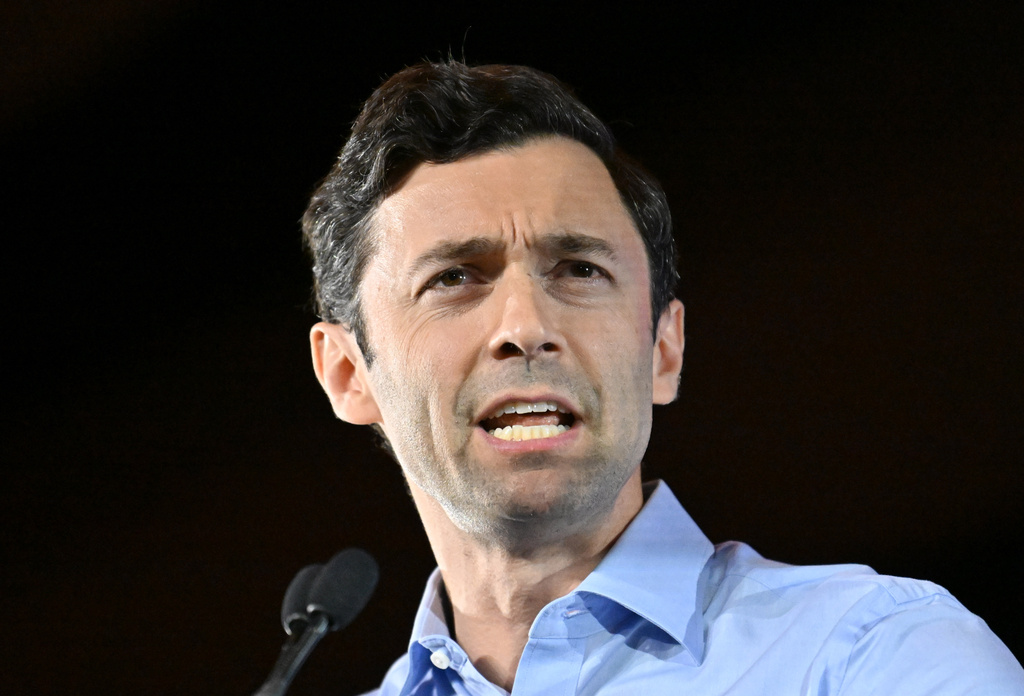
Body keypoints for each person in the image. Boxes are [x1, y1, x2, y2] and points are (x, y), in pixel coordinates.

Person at [303, 60, 1024, 695]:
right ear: (347, 373)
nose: (525, 325)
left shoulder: (876, 659)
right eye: (455, 277)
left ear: (663, 350)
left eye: (580, 270)